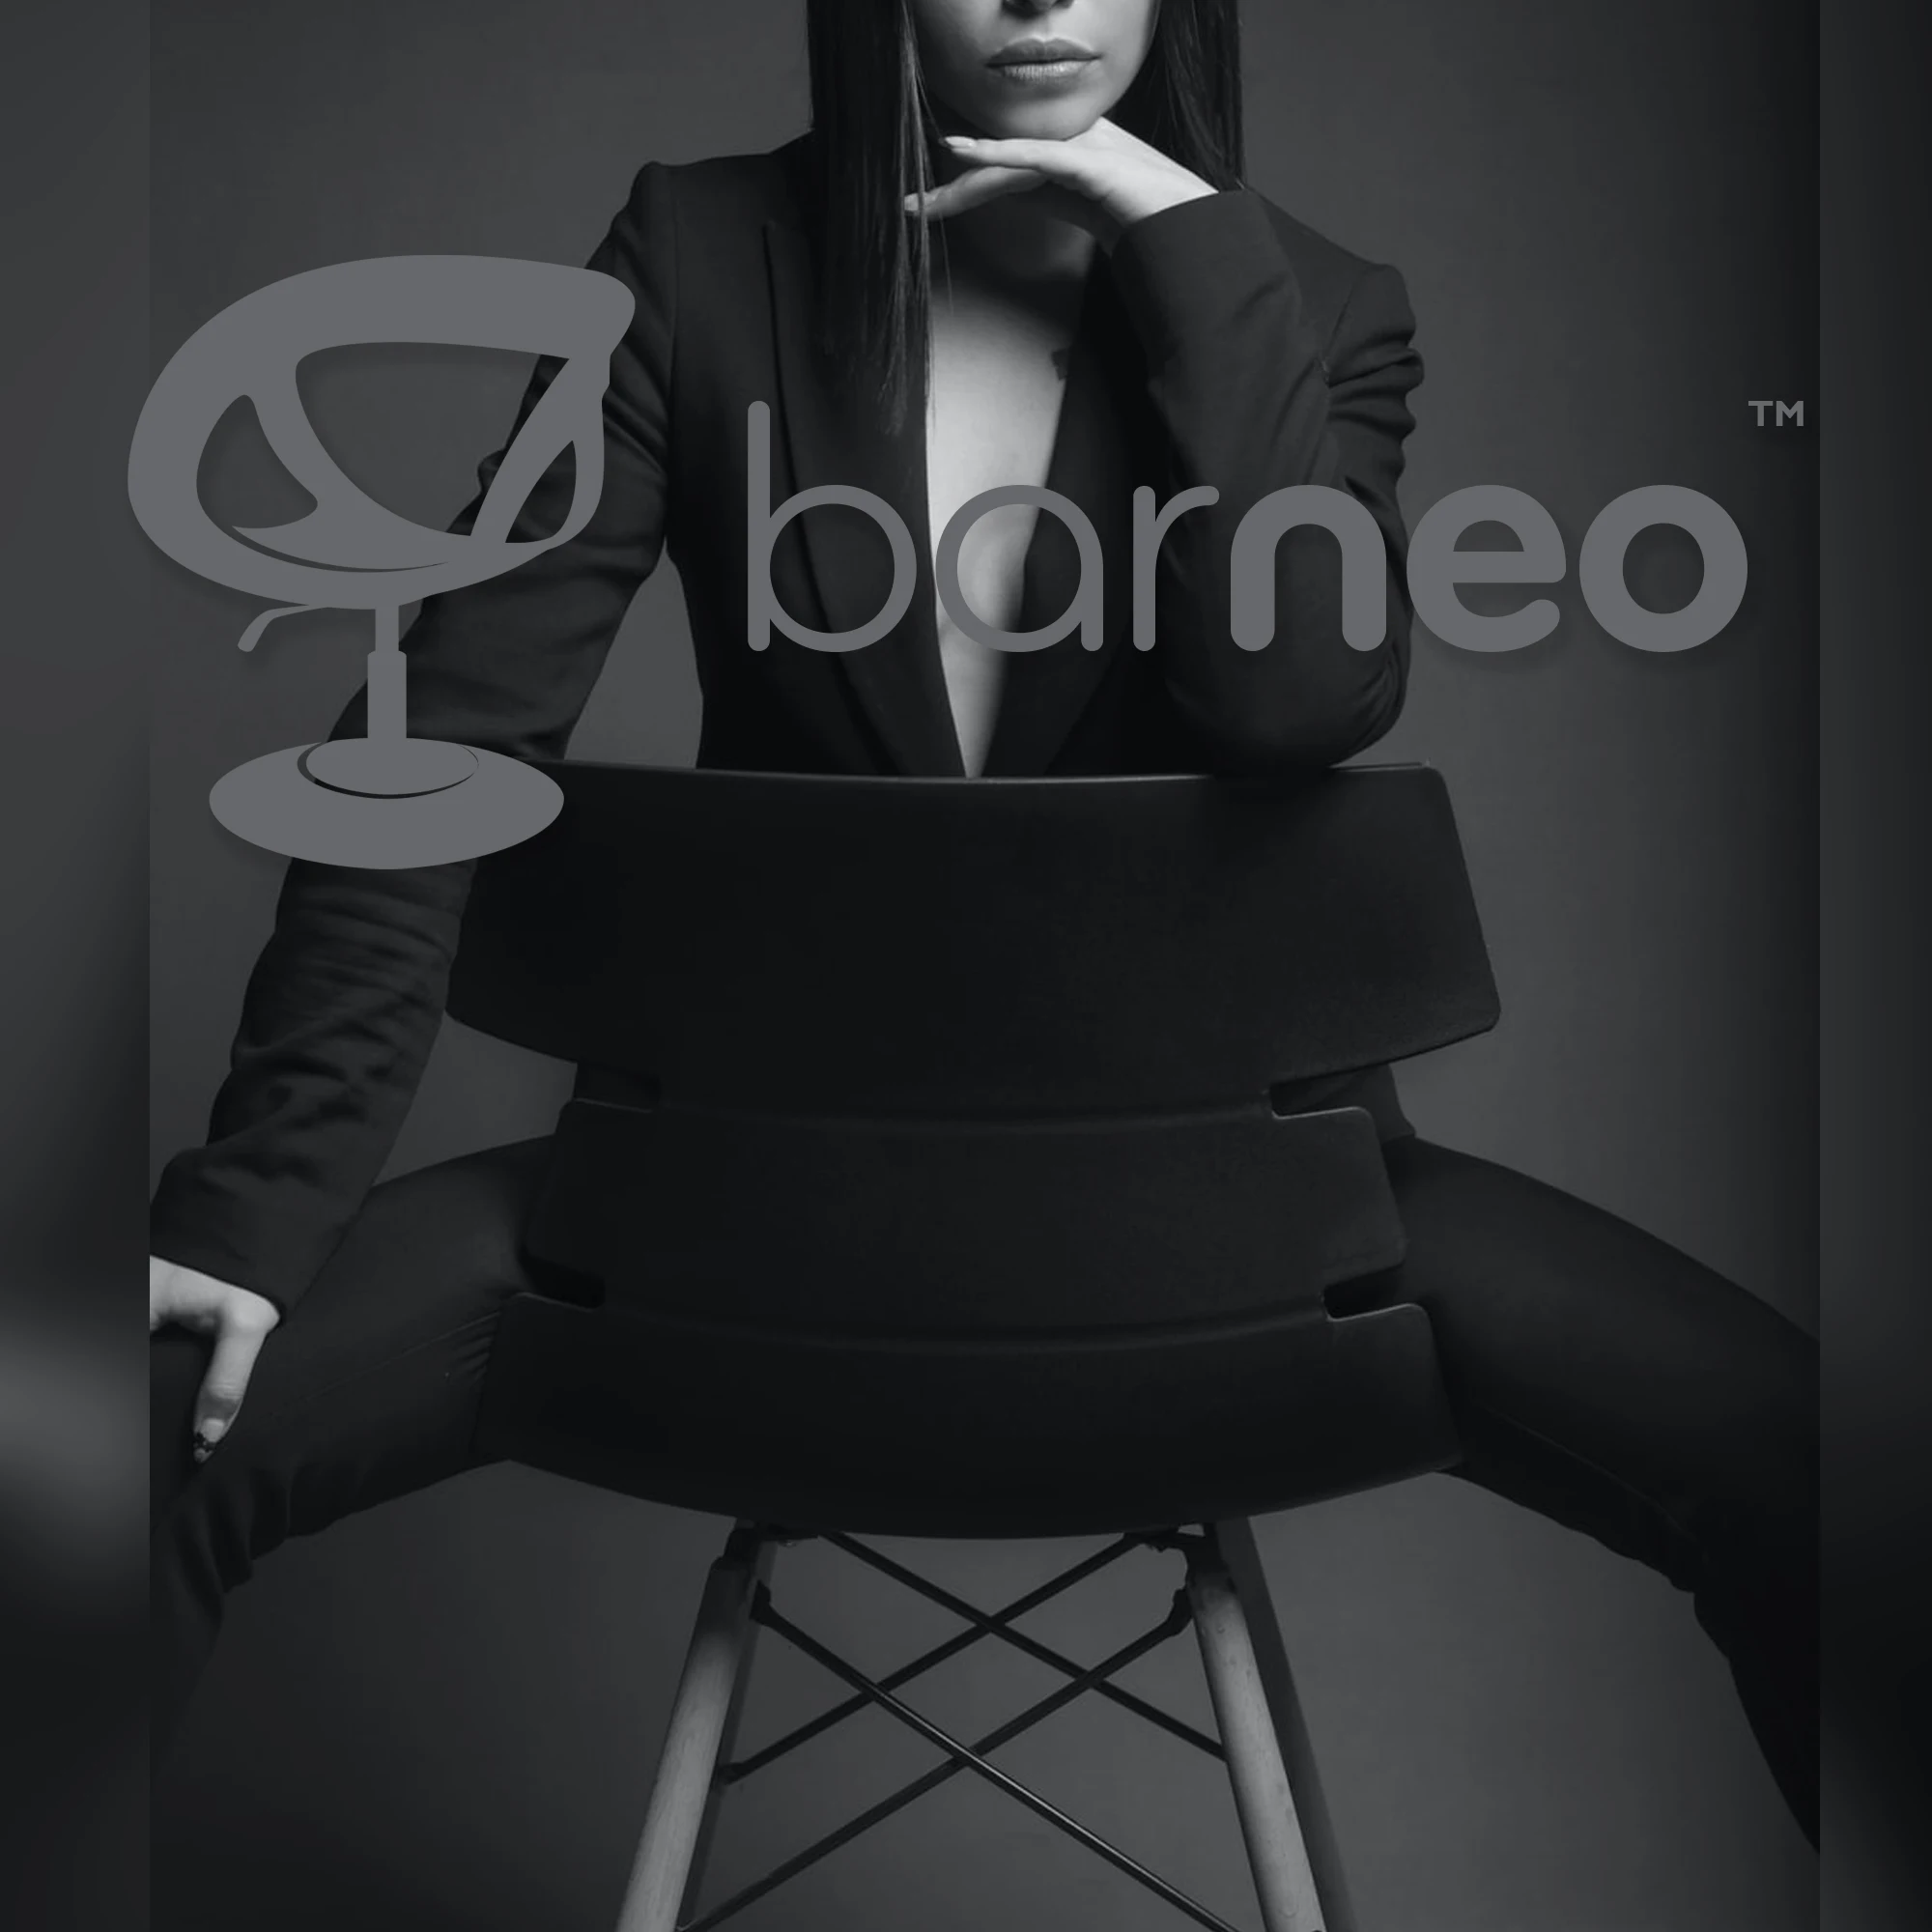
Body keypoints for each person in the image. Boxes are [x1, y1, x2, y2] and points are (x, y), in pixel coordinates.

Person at [149, 0, 1817, 1843]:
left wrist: (1189, 253)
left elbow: (1294, 701)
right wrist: (255, 1210)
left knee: (1819, 1468)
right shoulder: (700, 254)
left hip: (1247, 1243)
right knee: (130, 1436)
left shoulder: (1312, 300)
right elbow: (440, 736)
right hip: (737, 1231)